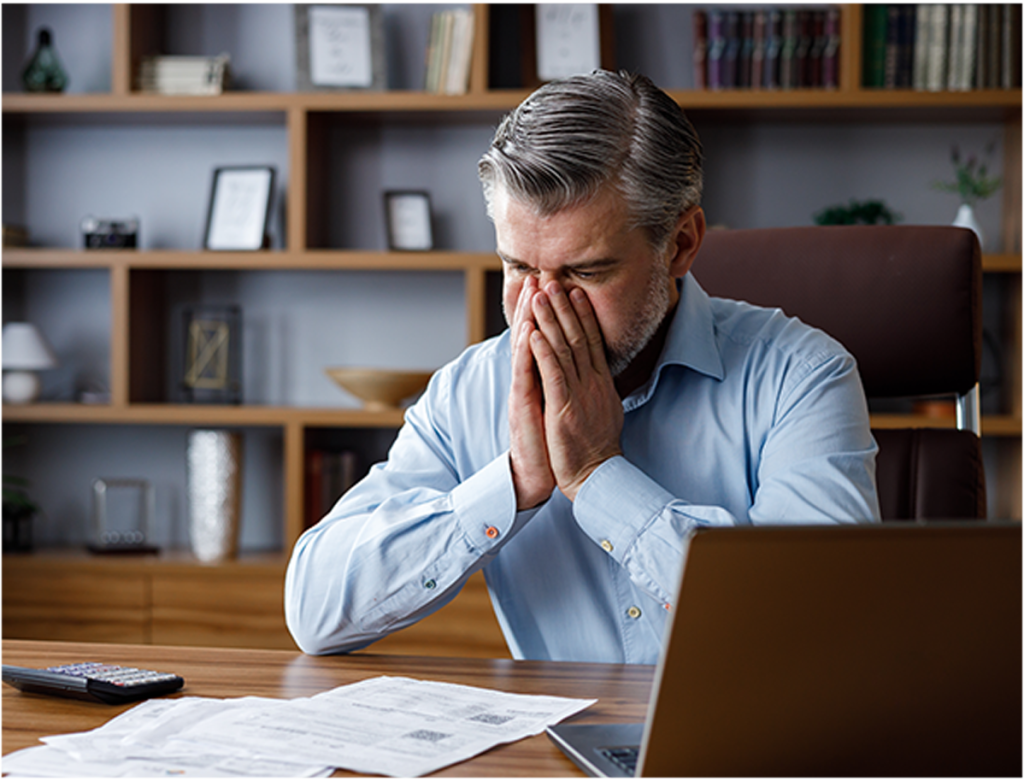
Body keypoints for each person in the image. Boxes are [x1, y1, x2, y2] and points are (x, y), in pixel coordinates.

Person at [285, 70, 880, 664]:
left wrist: (599, 475)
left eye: (585, 273)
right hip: (556, 749)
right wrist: (513, 484)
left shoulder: (802, 377)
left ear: (680, 244)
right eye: (518, 268)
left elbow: (818, 629)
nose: (541, 307)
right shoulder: (468, 391)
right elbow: (315, 616)